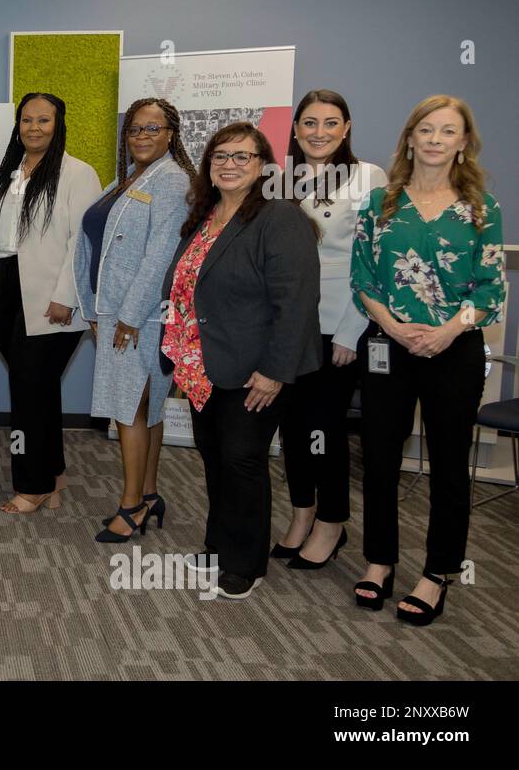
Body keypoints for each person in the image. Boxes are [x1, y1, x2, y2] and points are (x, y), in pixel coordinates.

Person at [350, 95, 502, 626]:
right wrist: (391, 326)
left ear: (464, 143)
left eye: (448, 131)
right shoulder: (379, 205)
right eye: (427, 130)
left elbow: (490, 289)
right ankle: (379, 562)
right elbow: (362, 280)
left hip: (453, 348)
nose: (436, 139)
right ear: (410, 138)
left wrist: (446, 330)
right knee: (380, 459)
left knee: (448, 466)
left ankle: (437, 574)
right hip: (388, 345)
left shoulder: (482, 209)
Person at [159, 122, 320, 600]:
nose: (229, 164)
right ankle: (219, 543)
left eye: (242, 156)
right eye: (220, 156)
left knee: (242, 460)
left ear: (262, 166)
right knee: (214, 458)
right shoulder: (204, 215)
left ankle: (245, 561)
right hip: (204, 365)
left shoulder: (279, 217)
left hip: (255, 369)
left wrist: (273, 372)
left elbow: (296, 302)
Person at [275, 89, 387, 568]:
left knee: (324, 428)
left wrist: (349, 332)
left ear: (346, 129)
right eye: (309, 122)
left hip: (339, 323)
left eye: (330, 123)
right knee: (292, 428)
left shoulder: (367, 178)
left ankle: (332, 522)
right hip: (289, 326)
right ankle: (303, 513)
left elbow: (374, 262)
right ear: (296, 128)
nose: (319, 132)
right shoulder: (281, 179)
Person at [74, 98, 194, 541]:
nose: (141, 136)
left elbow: (161, 254)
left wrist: (126, 317)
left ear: (170, 135)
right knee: (147, 406)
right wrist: (94, 309)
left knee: (130, 409)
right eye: (135, 130)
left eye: (152, 129)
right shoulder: (129, 179)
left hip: (138, 318)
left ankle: (131, 507)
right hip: (117, 313)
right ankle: (149, 492)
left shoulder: (172, 181)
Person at [0, 92, 100, 514]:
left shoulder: (78, 173)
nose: (34, 128)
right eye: (27, 120)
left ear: (59, 124)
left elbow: (82, 242)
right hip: (9, 285)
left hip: (51, 295)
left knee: (29, 393)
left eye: (44, 120)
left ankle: (31, 485)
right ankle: (54, 476)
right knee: (38, 390)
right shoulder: (10, 172)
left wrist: (64, 297)